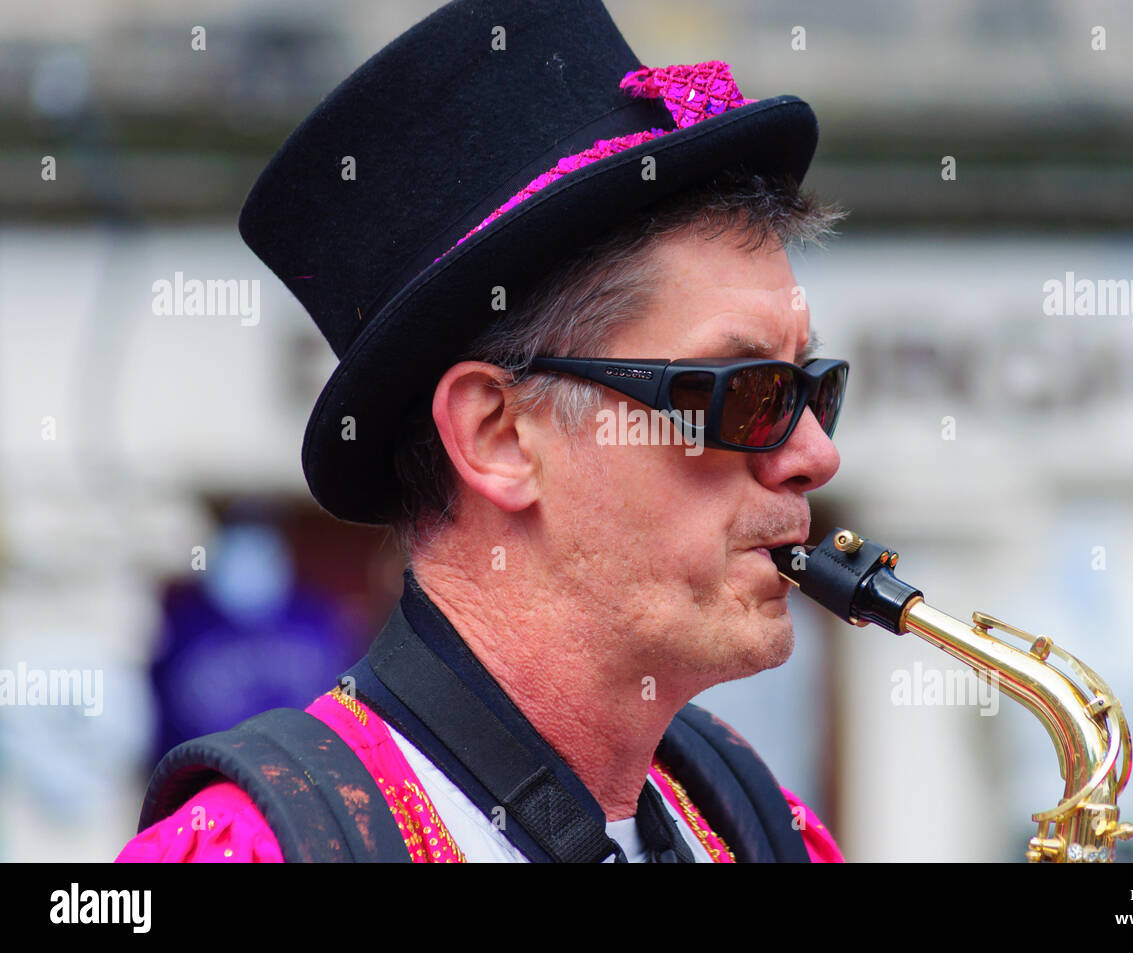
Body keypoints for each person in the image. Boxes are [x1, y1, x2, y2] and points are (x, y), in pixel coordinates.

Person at [117, 0, 849, 863]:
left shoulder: (762, 824)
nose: (815, 453)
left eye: (813, 388)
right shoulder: (242, 849)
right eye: (746, 392)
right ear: (499, 435)